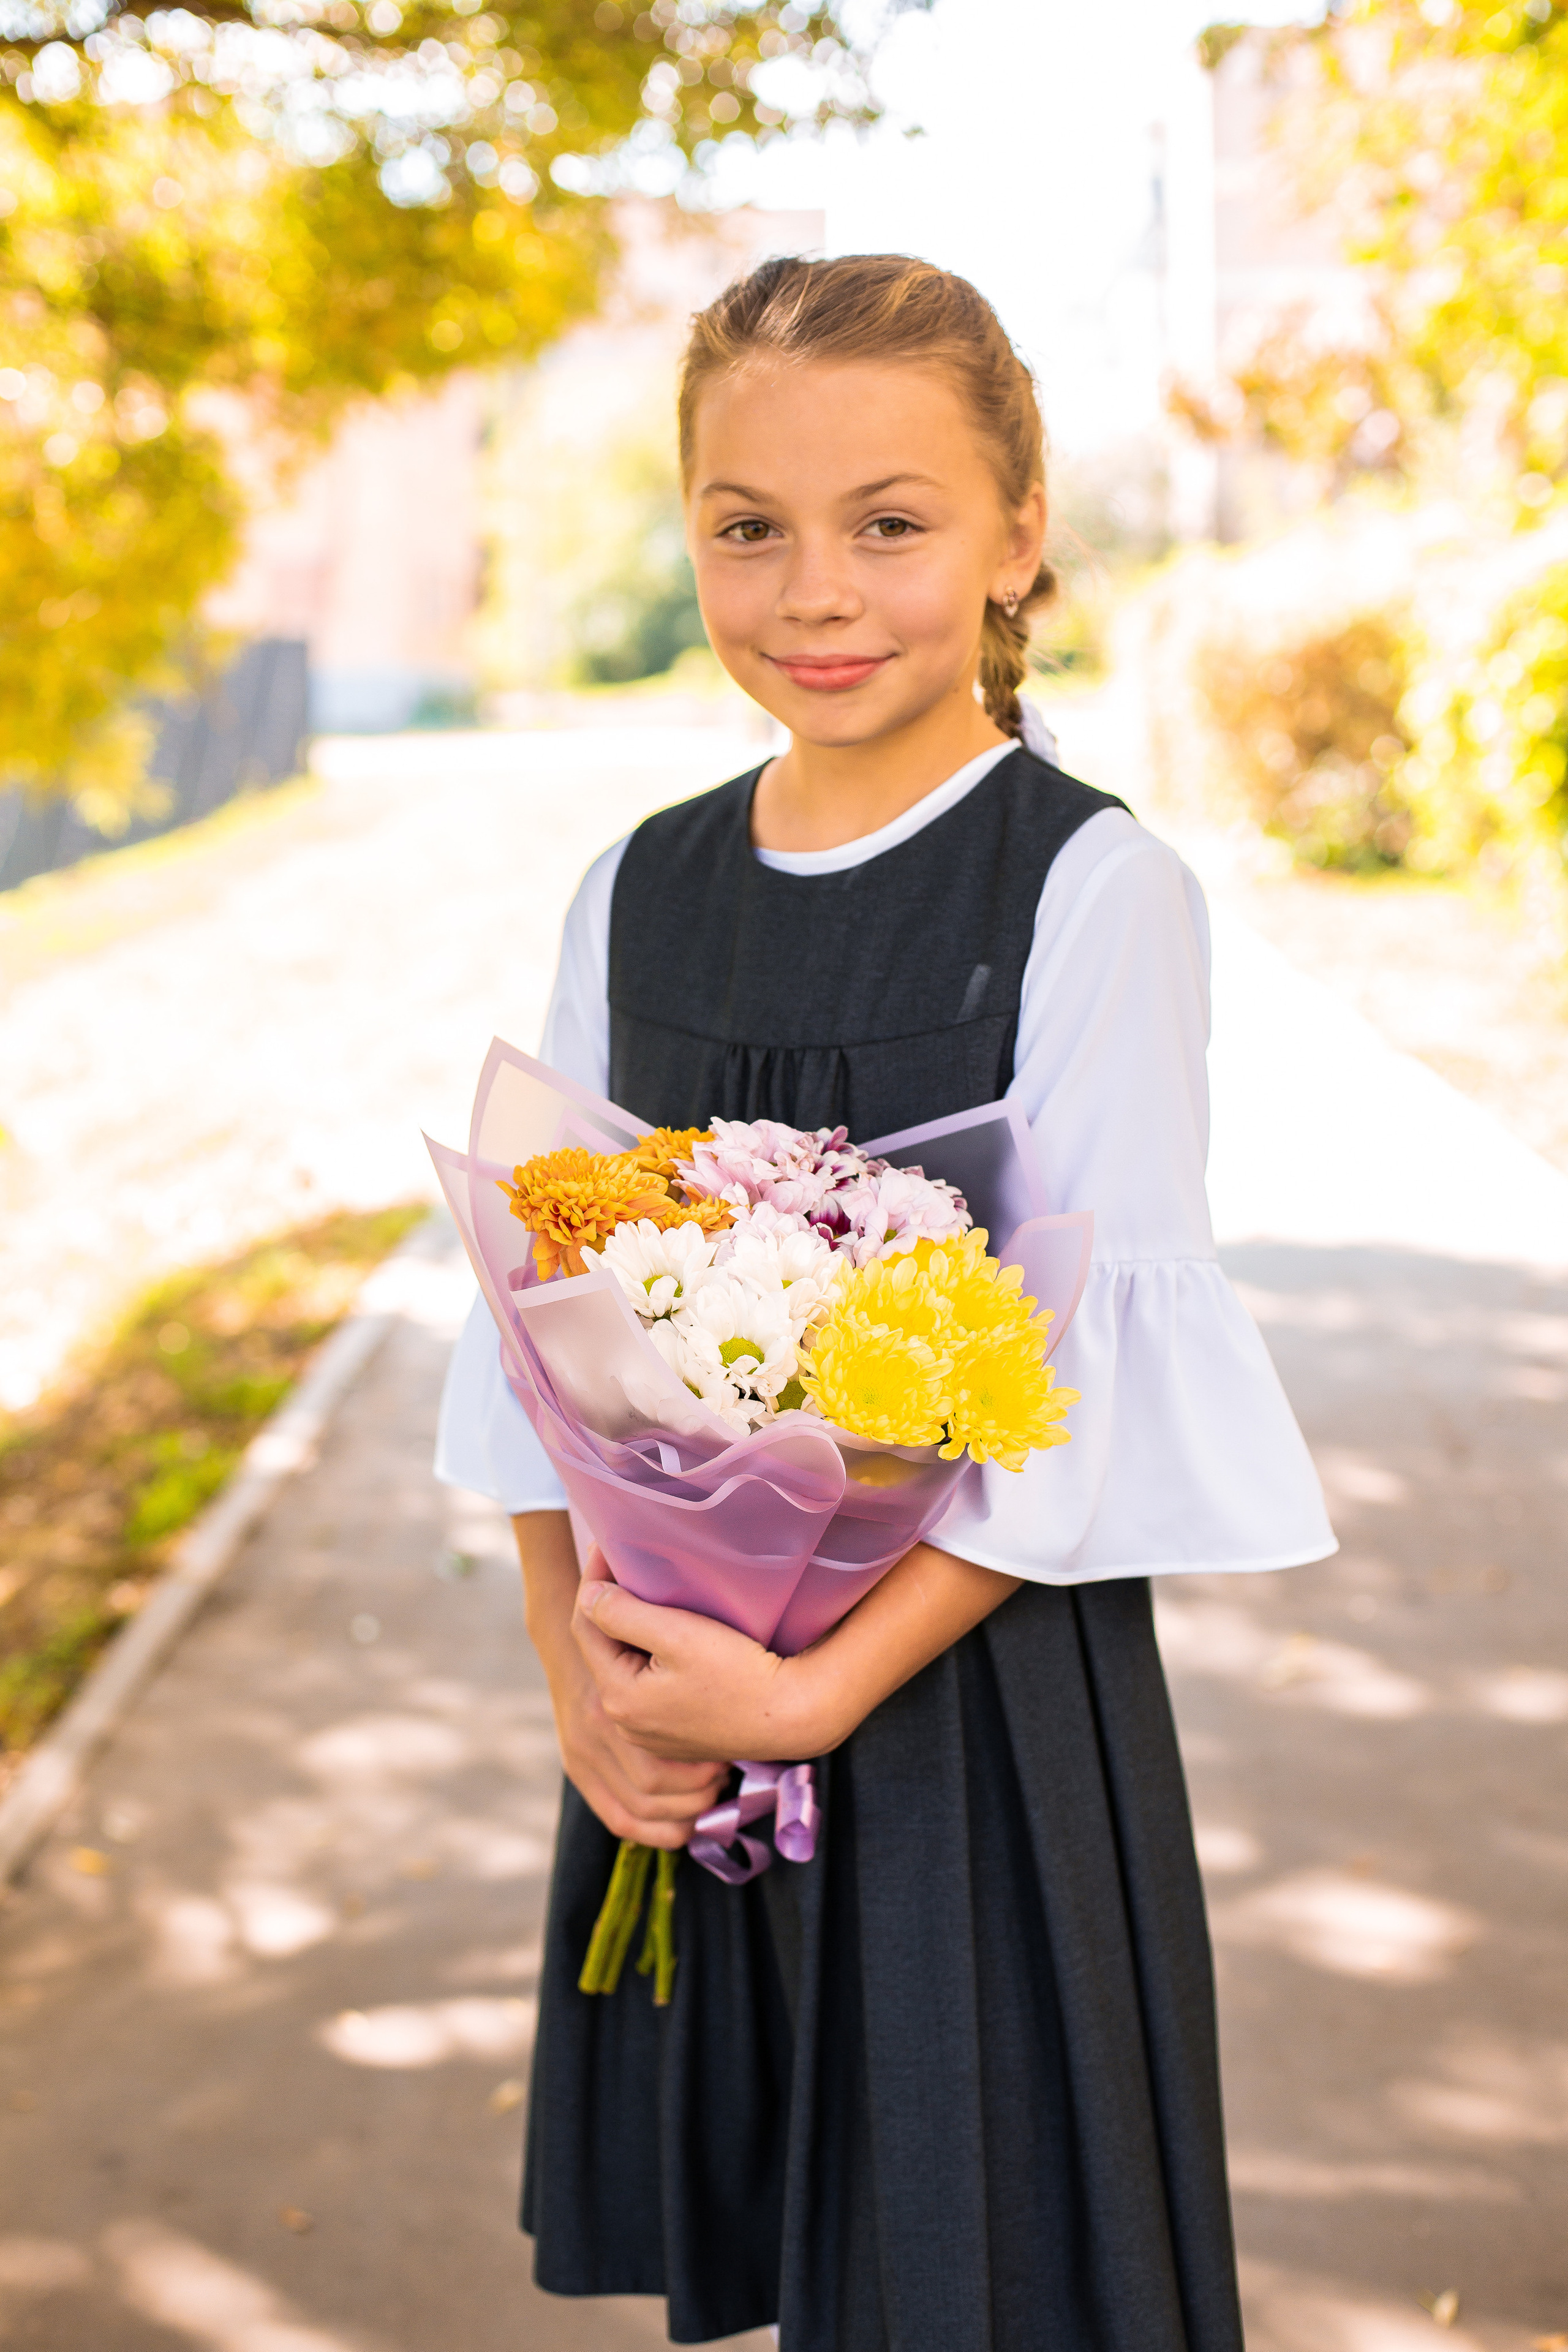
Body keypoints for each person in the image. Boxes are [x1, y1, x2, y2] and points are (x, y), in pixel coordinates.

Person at [436, 254, 1335, 2351]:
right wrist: (583, 1666)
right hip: (681, 1705)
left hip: (963, 1733)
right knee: (792, 2236)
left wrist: (821, 1699)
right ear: (690, 535)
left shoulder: (1088, 886)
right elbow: (535, 1313)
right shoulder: (637, 886)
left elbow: (1087, 1371)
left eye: (893, 522)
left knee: (974, 2256)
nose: (815, 592)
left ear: (1021, 531)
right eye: (749, 526)